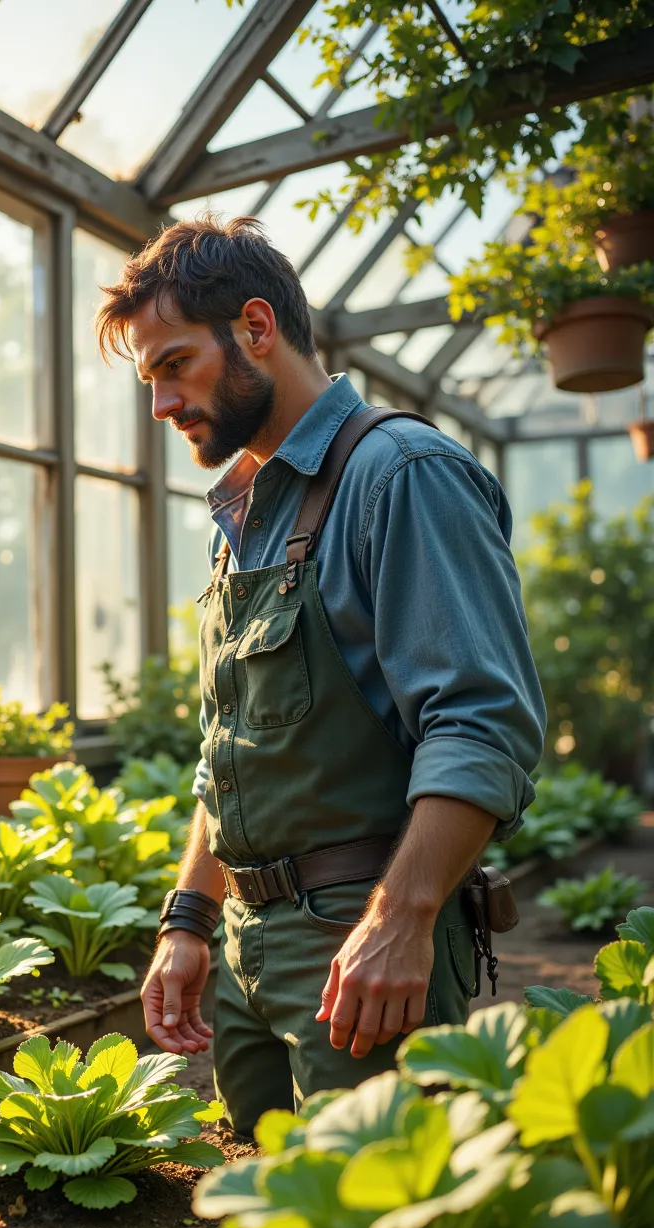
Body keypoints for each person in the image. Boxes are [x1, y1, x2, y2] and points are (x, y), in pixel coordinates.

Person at [95, 215, 545, 1136]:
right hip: (250, 950)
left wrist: (402, 919)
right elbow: (234, 751)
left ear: (255, 328)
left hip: (359, 946)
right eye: (150, 378)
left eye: (173, 364)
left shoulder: (402, 474)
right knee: (274, 1226)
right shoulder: (249, 510)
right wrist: (189, 919)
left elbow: (481, 727)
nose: (161, 405)